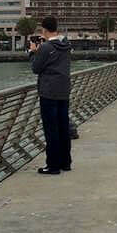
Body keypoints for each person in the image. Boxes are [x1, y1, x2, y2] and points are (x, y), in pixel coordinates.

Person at [29, 16, 72, 175]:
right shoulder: (66, 45)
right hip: (63, 90)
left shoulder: (46, 47)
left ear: (44, 30)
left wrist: (33, 52)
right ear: (56, 28)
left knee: (51, 129)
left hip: (48, 92)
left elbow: (36, 68)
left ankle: (52, 165)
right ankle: (65, 162)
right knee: (63, 127)